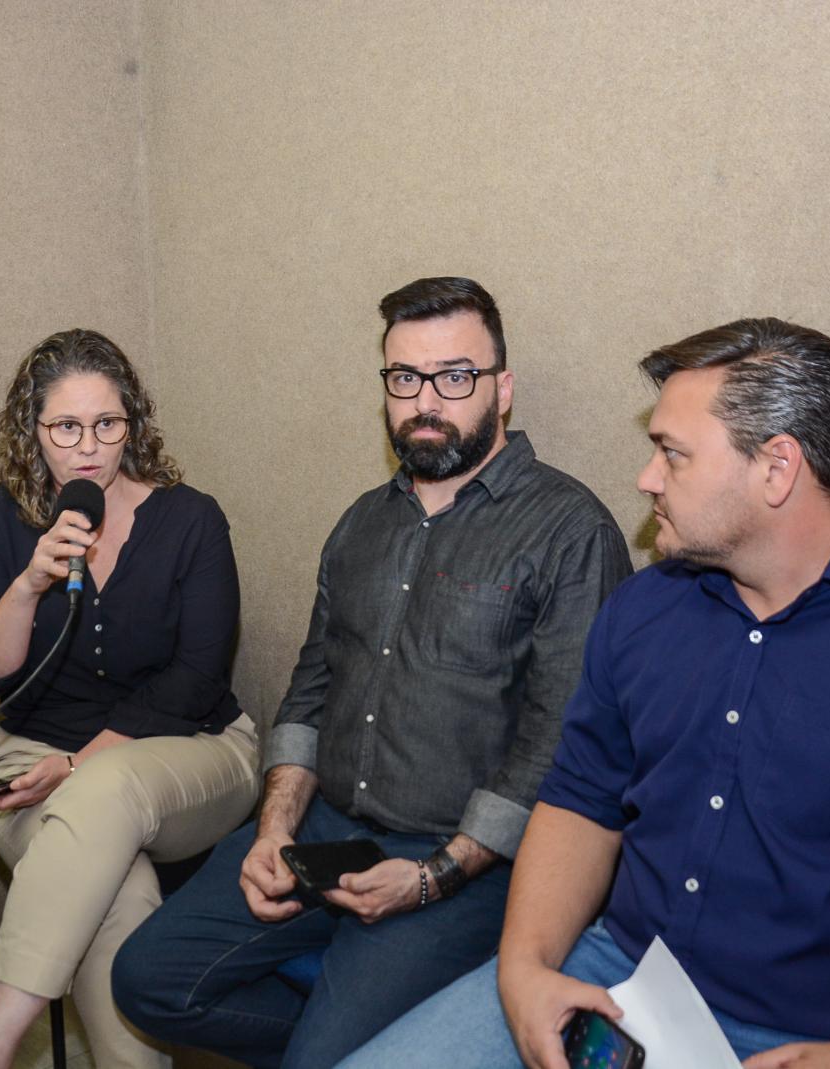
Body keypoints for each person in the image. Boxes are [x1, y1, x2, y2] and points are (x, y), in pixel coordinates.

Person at [338, 317, 830, 1069]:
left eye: (672, 454)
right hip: (615, 974)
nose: (646, 478)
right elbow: (582, 797)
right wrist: (524, 969)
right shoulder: (644, 611)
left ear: (777, 467)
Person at [112, 277, 633, 1069]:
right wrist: (275, 827)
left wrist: (429, 877)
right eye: (404, 377)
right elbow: (310, 689)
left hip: (470, 864)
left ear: (504, 387)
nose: (426, 400)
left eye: (455, 376)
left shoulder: (570, 532)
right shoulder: (361, 523)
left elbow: (558, 748)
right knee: (145, 981)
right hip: (324, 831)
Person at [0, 329, 260, 1069]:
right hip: (31, 753)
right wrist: (28, 582)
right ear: (34, 431)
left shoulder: (191, 519)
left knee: (105, 785)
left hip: (191, 750)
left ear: (134, 423)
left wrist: (78, 763)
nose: (88, 447)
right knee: (116, 893)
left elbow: (196, 677)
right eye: (65, 428)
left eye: (107, 425)